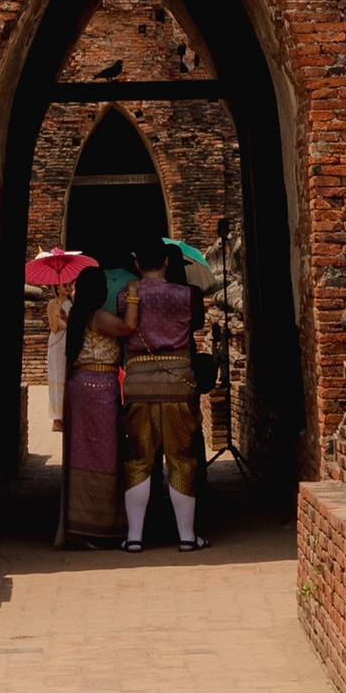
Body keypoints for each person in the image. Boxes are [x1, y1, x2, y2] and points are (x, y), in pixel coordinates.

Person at [113, 231, 205, 551]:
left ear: (137, 264)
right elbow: (196, 325)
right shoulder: (188, 295)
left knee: (138, 458)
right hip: (179, 380)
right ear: (167, 261)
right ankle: (187, 537)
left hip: (138, 383)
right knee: (182, 459)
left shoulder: (125, 296)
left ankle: (135, 537)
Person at [56, 262, 127, 547]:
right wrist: (133, 297)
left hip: (79, 388)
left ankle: (80, 527)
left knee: (81, 457)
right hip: (100, 389)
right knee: (105, 458)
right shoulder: (98, 317)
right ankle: (99, 528)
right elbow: (128, 327)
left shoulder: (76, 317)